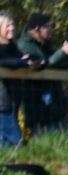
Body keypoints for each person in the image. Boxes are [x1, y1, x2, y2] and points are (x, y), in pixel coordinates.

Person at [16, 14, 68, 139]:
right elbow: (40, 66)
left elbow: (55, 65)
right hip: (37, 106)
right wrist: (61, 53)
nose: (51, 30)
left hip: (54, 104)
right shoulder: (24, 46)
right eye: (48, 27)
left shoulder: (45, 46)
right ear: (37, 29)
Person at [0, 15, 28, 147]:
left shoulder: (14, 47)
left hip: (13, 102)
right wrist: (20, 62)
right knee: (15, 143)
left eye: (13, 25)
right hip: (2, 103)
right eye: (7, 26)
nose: (12, 28)